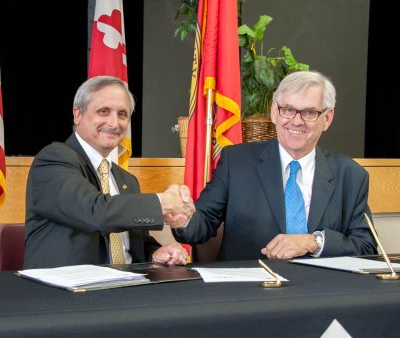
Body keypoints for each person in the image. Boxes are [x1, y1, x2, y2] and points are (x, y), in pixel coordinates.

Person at [173, 70, 377, 260]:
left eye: (309, 113)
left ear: (327, 119)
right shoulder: (236, 163)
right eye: (288, 110)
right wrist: (183, 217)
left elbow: (366, 248)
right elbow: (202, 224)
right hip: (250, 290)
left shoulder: (350, 175)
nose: (296, 121)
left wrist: (314, 242)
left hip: (319, 290)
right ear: (274, 112)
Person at [24, 76, 194, 268]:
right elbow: (95, 212)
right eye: (104, 111)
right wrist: (164, 202)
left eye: (122, 114)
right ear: (77, 114)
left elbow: (134, 243)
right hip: (67, 291)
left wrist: (156, 252)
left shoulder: (127, 180)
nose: (114, 123)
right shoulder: (53, 160)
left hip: (128, 287)